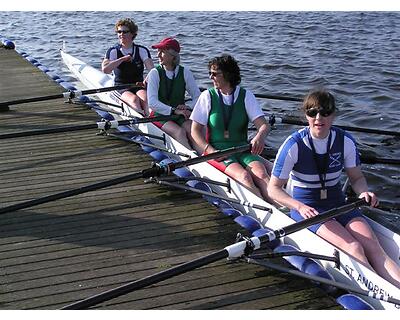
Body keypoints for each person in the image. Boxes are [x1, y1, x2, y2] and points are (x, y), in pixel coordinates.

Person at [267, 89, 400, 288]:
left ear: (333, 115)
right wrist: (298, 206)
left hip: (339, 204)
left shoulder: (345, 141)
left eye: (325, 112)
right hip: (309, 210)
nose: (318, 117)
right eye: (312, 113)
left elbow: (356, 178)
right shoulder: (293, 145)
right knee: (353, 247)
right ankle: (383, 293)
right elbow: (274, 189)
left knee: (374, 246)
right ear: (306, 116)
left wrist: (363, 192)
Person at [190, 54, 274, 203]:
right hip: (217, 151)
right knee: (244, 177)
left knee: (262, 174)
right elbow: (195, 131)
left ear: (228, 74)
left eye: (215, 74)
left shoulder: (246, 96)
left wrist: (259, 136)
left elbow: (264, 126)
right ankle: (267, 210)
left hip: (242, 148)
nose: (211, 77)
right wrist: (210, 151)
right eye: (210, 73)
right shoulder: (207, 97)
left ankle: (282, 208)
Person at [147, 37, 200, 149]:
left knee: (194, 131)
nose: (158, 55)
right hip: (159, 114)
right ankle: (190, 159)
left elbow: (198, 97)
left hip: (180, 113)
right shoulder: (154, 73)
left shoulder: (185, 72)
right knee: (179, 132)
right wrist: (173, 110)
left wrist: (187, 106)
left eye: (162, 52)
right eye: (158, 52)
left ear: (173, 56)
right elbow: (152, 103)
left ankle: (206, 158)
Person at [102, 18, 154, 116]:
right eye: (119, 31)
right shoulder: (113, 51)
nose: (121, 34)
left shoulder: (142, 50)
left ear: (133, 34)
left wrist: (145, 81)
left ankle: (151, 121)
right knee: (134, 100)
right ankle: (141, 119)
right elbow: (106, 70)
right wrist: (122, 59)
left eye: (125, 32)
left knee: (146, 99)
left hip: (137, 85)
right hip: (121, 87)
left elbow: (152, 71)